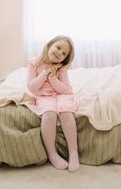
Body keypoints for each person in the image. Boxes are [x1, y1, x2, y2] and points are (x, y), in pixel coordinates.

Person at [27, 35, 79, 172]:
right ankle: (52, 154)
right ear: (50, 45)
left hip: (61, 95)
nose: (59, 53)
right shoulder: (34, 64)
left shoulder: (61, 68)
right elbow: (32, 87)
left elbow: (66, 89)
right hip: (44, 97)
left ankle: (73, 152)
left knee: (66, 112)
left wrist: (53, 78)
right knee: (49, 114)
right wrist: (44, 74)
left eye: (64, 54)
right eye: (58, 47)